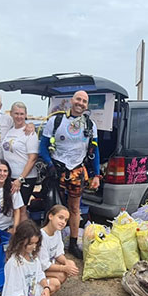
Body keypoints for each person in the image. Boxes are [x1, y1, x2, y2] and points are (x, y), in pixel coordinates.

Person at [39, 90, 101, 258]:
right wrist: (49, 164)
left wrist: (96, 175)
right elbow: (42, 146)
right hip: (56, 170)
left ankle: (73, 243)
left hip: (77, 171)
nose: (81, 103)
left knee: (74, 209)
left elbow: (94, 151)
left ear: (87, 105)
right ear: (71, 101)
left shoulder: (90, 125)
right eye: (78, 99)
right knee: (53, 208)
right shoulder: (56, 120)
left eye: (84, 101)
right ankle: (48, 245)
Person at [1, 102, 39, 218]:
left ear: (26, 115)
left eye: (22, 114)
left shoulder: (29, 133)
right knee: (11, 208)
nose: (19, 116)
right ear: (11, 114)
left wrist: (20, 179)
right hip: (9, 176)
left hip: (25, 177)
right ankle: (13, 233)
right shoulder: (10, 130)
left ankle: (24, 235)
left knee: (21, 209)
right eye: (16, 113)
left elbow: (33, 158)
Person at [38, 205, 79, 287]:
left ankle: (47, 285)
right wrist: (64, 268)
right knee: (61, 276)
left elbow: (58, 254)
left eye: (66, 220)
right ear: (50, 216)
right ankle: (40, 291)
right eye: (60, 217)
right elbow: (44, 264)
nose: (63, 222)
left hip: (47, 264)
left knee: (70, 263)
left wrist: (66, 263)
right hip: (38, 268)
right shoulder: (41, 237)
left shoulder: (57, 232)